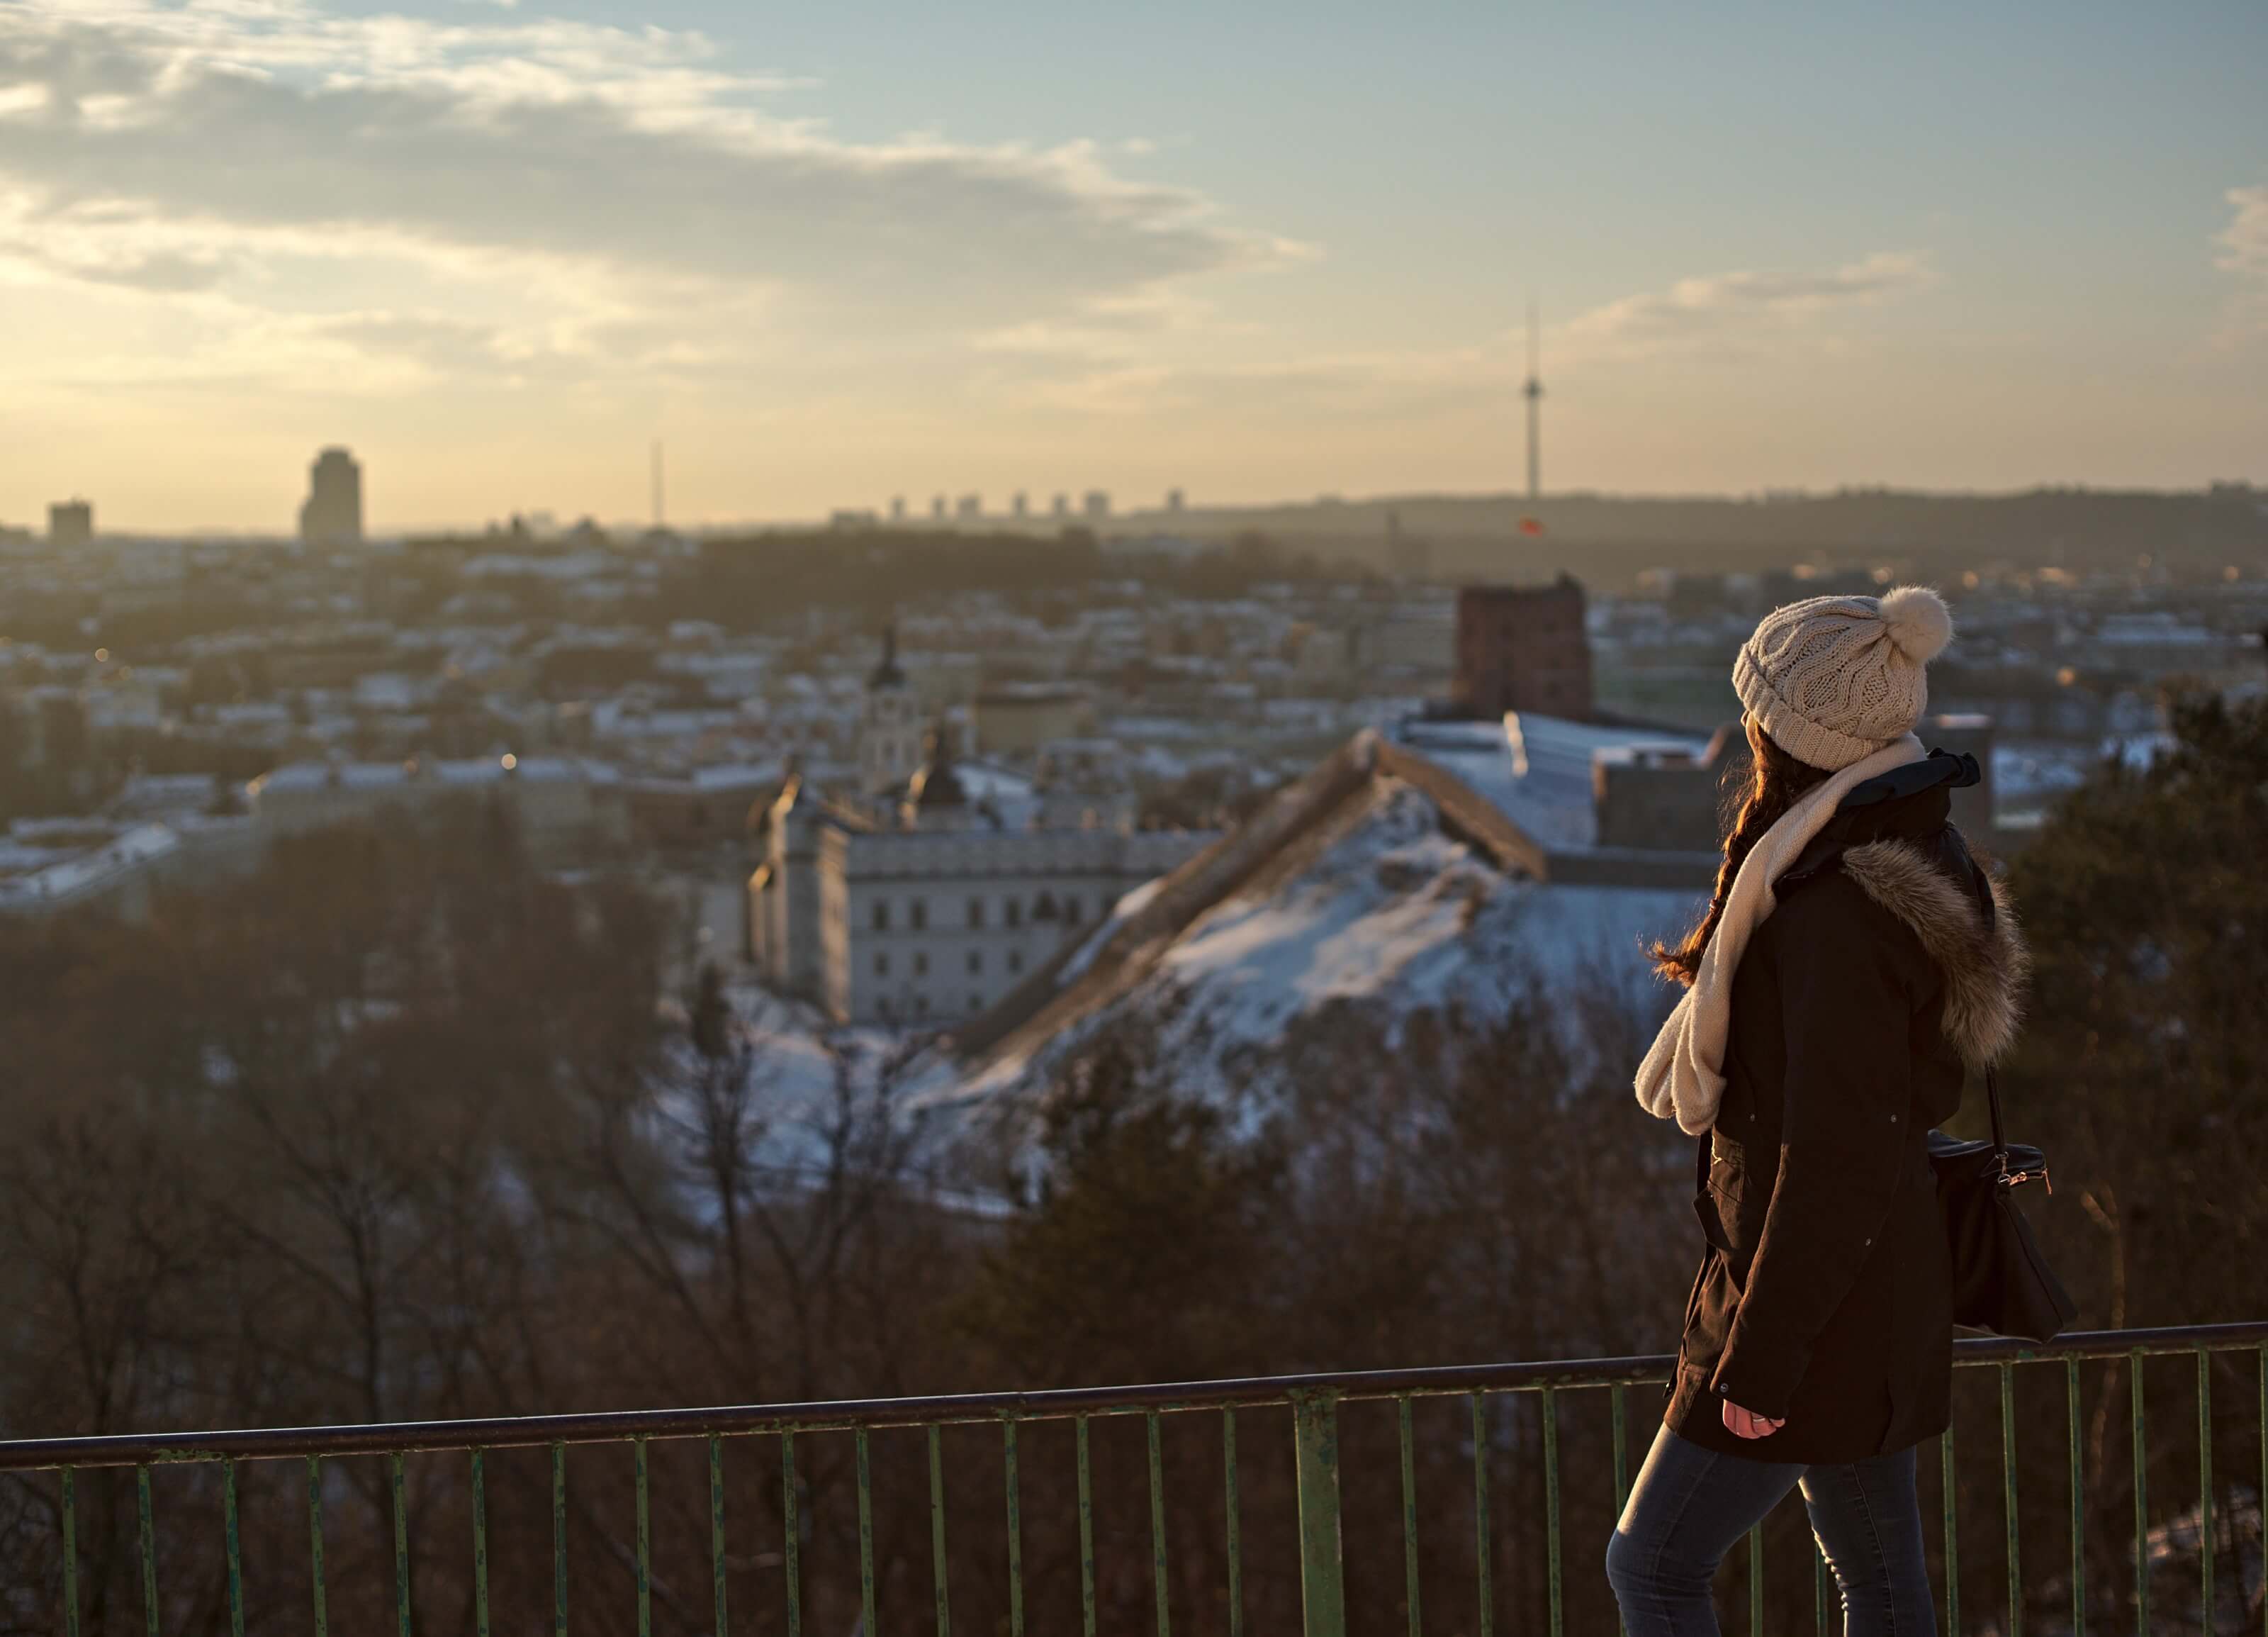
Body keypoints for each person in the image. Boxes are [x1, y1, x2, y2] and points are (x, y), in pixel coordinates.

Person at [1607, 586, 2030, 1636]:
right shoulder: (1904, 852)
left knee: (1653, 1563)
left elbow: (1836, 1152)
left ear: (1791, 730)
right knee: (1880, 1580)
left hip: (1810, 1306)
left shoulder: (1835, 910)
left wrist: (1762, 1357)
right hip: (1877, 1288)